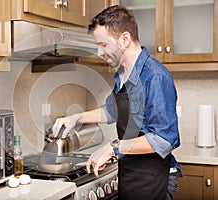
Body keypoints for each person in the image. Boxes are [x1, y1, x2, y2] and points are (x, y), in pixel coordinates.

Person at [52, 5, 181, 200]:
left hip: (153, 178)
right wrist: (76, 118)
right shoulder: (123, 74)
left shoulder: (154, 76)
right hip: (131, 172)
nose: (99, 52)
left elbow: (164, 139)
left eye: (103, 44)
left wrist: (113, 147)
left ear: (125, 39)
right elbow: (112, 111)